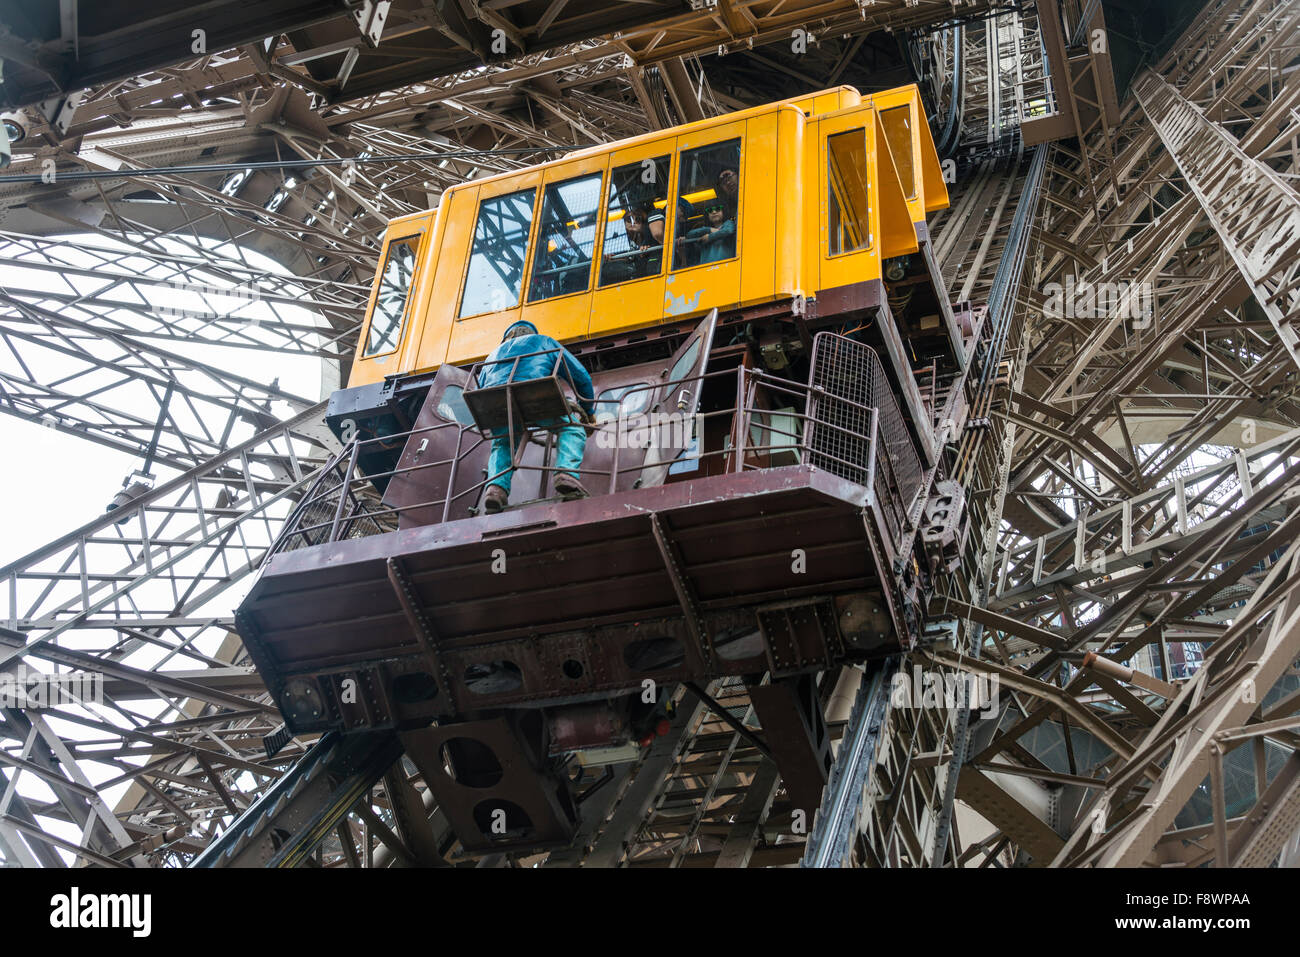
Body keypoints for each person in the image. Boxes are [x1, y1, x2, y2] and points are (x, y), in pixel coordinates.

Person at [478, 320, 595, 513]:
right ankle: (566, 475)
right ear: (531, 333)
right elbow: (581, 376)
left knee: (503, 441)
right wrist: (588, 412)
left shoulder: (491, 357)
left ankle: (495, 489)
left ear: (506, 337)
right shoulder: (544, 341)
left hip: (498, 405)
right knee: (572, 428)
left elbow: (481, 390)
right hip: (534, 399)